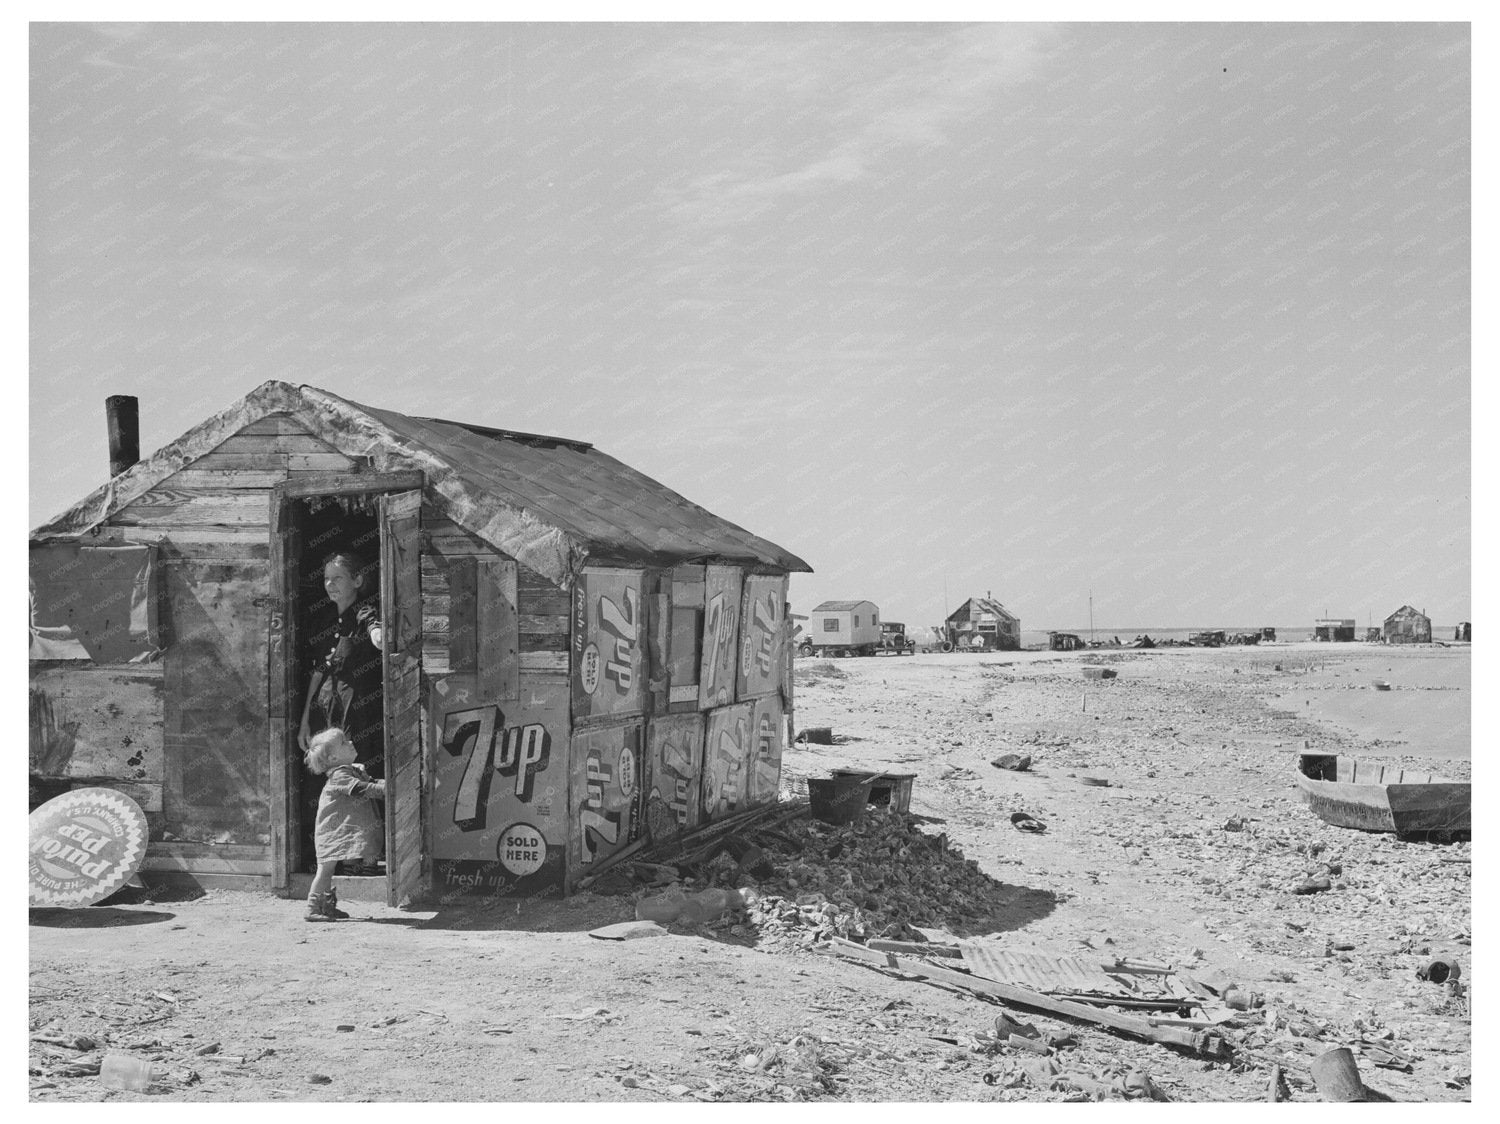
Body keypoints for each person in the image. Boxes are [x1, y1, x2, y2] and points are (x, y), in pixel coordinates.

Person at [298, 551, 385, 778]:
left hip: (358, 713)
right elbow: (318, 672)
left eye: (337, 578)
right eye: (327, 578)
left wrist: (379, 636)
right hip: (324, 710)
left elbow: (374, 628)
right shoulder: (322, 621)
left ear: (357, 580)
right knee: (323, 772)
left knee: (357, 772)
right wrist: (305, 719)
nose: (329, 584)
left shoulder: (365, 612)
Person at [303, 728, 386, 922]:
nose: (350, 742)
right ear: (332, 758)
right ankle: (312, 908)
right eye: (343, 742)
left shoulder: (351, 771)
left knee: (328, 870)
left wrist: (386, 784)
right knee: (325, 870)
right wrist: (388, 789)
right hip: (331, 833)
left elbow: (372, 782)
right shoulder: (340, 775)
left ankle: (326, 906)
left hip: (336, 831)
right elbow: (361, 788)